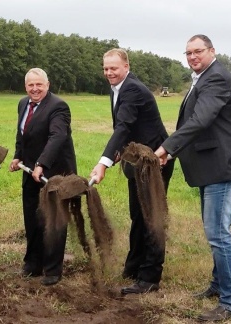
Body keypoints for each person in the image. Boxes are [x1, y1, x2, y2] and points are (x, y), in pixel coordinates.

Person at [155, 34, 231, 321]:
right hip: (213, 166)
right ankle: (218, 285)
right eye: (188, 53)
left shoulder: (216, 79)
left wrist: (167, 148)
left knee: (218, 233)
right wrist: (173, 152)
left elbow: (201, 119)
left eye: (198, 51)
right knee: (215, 230)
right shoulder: (203, 78)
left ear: (212, 51)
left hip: (225, 166)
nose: (192, 57)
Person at [89, 48, 174, 294]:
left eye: (114, 68)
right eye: (106, 68)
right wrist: (117, 156)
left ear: (126, 66)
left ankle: (149, 277)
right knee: (137, 215)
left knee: (152, 217)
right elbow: (128, 129)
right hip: (137, 163)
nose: (109, 73)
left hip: (154, 163)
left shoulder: (133, 89)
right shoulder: (117, 88)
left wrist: (103, 162)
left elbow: (123, 127)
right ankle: (134, 265)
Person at [9, 68, 77, 286]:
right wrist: (18, 157)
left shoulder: (58, 107)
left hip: (54, 173)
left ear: (47, 85)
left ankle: (53, 269)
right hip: (30, 173)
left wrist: (42, 164)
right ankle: (33, 263)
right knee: (32, 219)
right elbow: (22, 134)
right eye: (30, 85)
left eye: (39, 84)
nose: (35, 89)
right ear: (25, 86)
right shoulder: (23, 104)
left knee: (54, 221)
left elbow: (57, 136)